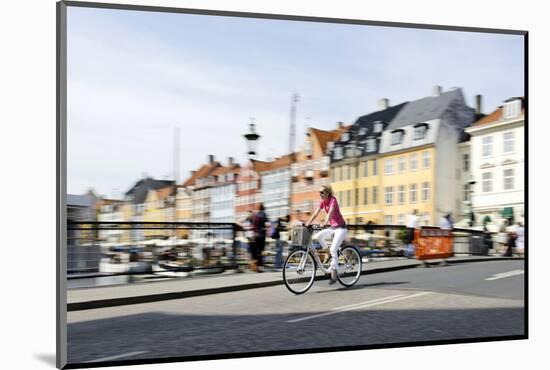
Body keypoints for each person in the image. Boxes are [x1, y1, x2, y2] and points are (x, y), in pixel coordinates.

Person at [305, 184, 347, 284]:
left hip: (341, 228)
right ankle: (328, 254)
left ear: (327, 193)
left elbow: (330, 213)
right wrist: (307, 223)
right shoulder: (323, 202)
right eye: (319, 192)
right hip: (333, 228)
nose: (320, 194)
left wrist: (325, 222)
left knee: (333, 248)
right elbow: (316, 213)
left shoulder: (333, 200)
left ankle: (334, 272)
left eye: (322, 192)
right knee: (317, 236)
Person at [251, 204, 269, 272]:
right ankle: (260, 267)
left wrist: (254, 233)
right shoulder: (264, 214)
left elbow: (254, 225)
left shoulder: (256, 215)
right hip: (262, 235)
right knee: (261, 251)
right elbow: (267, 225)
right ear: (263, 208)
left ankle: (258, 266)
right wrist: (267, 232)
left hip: (256, 235)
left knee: (258, 251)